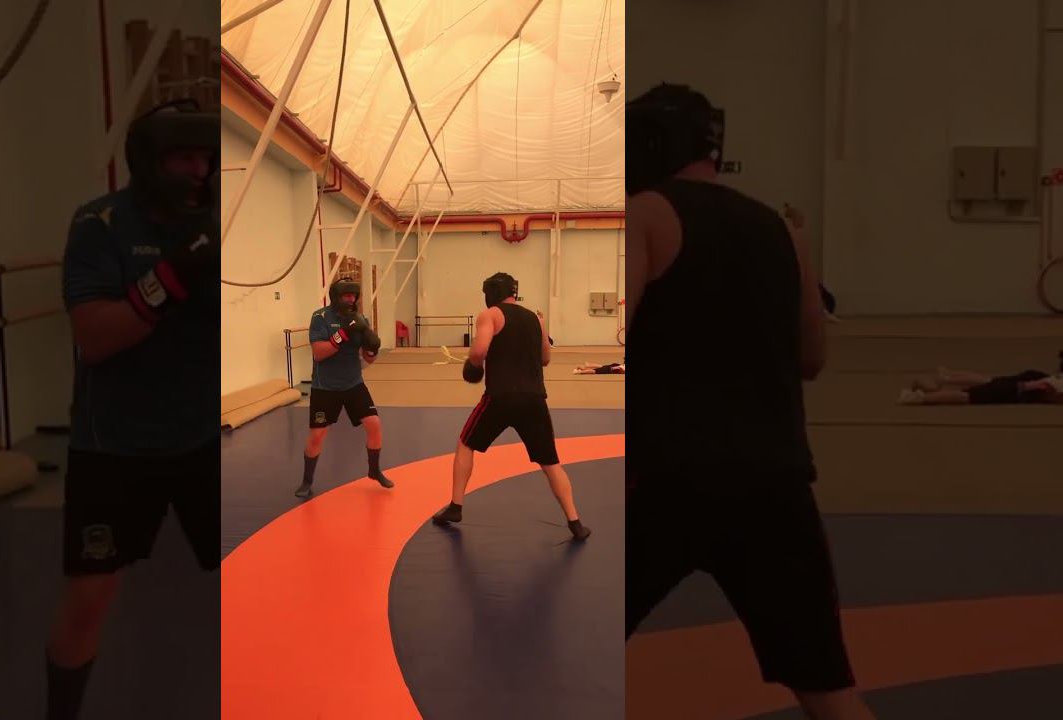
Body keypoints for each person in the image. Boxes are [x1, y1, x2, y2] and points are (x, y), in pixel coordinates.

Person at [626, 83, 875, 720]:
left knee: (573, 640)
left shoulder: (647, 215)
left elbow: (616, 344)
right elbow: (811, 359)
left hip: (666, 481)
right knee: (827, 689)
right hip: (774, 482)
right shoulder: (783, 230)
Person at [44, 99, 217, 720]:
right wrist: (170, 280)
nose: (199, 170)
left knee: (252, 571)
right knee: (90, 598)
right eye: (183, 157)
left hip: (201, 440)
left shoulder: (218, 221)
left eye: (206, 157)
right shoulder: (102, 224)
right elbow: (94, 336)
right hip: (114, 446)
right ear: (149, 161)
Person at [431, 272, 592, 541]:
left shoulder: (491, 315)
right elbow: (545, 358)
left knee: (466, 444)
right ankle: (575, 522)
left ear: (491, 293)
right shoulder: (536, 319)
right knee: (551, 463)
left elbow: (479, 351)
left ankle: (456, 506)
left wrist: (473, 365)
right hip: (534, 399)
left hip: (500, 397)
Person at [295, 277, 395, 498]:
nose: (351, 299)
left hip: (353, 383)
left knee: (374, 424)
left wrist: (372, 348)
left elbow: (368, 360)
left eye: (353, 296)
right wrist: (342, 335)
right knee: (317, 435)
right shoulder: (320, 317)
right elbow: (319, 353)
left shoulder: (361, 319)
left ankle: (374, 470)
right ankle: (307, 480)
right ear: (336, 297)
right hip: (325, 387)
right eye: (346, 295)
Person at [899, 366, 1063, 405]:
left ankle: (945, 379)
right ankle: (919, 397)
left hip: (1025, 383)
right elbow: (1052, 394)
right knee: (967, 396)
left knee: (988, 381)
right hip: (1019, 387)